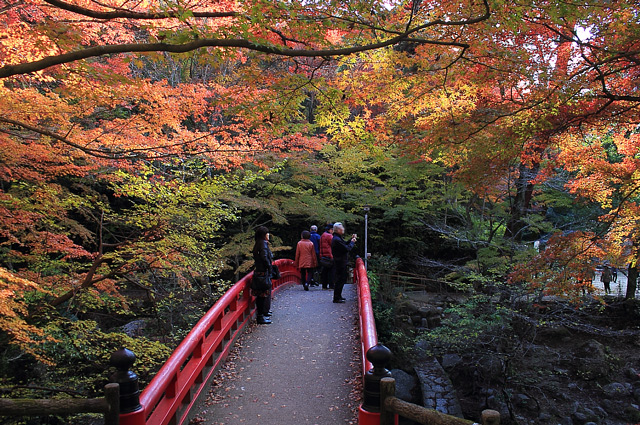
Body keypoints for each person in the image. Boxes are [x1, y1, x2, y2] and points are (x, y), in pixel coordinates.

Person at [252, 226, 274, 324]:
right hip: (263, 273)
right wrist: (269, 268)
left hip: (259, 272)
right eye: (267, 233)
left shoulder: (258, 244)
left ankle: (261, 315)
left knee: (261, 295)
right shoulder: (263, 244)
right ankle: (261, 316)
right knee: (262, 295)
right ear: (263, 235)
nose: (268, 235)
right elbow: (265, 257)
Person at [331, 222, 356, 303]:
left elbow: (344, 244)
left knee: (341, 279)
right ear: (338, 230)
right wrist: (352, 242)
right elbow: (346, 248)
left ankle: (338, 296)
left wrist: (350, 240)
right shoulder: (336, 239)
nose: (343, 230)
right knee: (340, 279)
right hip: (340, 261)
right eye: (342, 228)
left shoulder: (337, 238)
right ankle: (336, 297)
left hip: (340, 261)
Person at [319, 223, 334, 290]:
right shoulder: (329, 236)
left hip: (323, 255)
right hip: (329, 255)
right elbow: (333, 245)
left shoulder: (323, 235)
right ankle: (331, 286)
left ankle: (324, 286)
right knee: (331, 272)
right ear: (330, 229)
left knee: (325, 272)